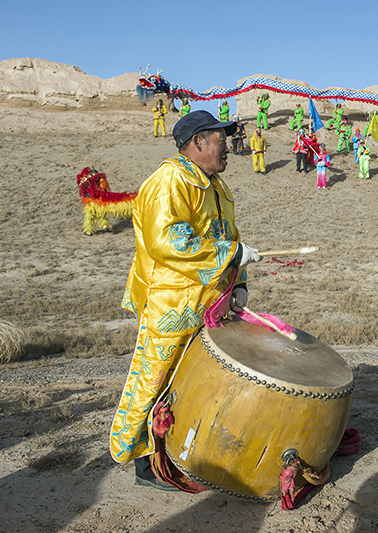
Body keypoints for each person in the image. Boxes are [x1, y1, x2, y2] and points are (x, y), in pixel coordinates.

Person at [110, 110, 264, 490]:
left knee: (191, 382)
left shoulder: (215, 187)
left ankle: (177, 453)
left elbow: (231, 235)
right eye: (220, 138)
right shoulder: (170, 181)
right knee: (154, 379)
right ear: (197, 143)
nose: (228, 146)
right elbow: (168, 241)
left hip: (207, 306)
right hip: (171, 307)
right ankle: (143, 463)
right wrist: (229, 254)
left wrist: (238, 283)